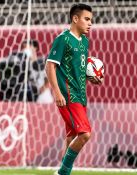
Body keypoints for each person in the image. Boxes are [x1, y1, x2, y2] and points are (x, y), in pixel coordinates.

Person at [45, 3, 102, 175]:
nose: (90, 23)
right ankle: (63, 171)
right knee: (85, 134)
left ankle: (62, 173)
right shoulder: (63, 39)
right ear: (75, 19)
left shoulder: (85, 41)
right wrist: (57, 92)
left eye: (91, 20)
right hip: (69, 96)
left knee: (71, 137)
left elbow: (79, 68)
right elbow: (49, 66)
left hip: (81, 95)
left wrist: (92, 77)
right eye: (86, 19)